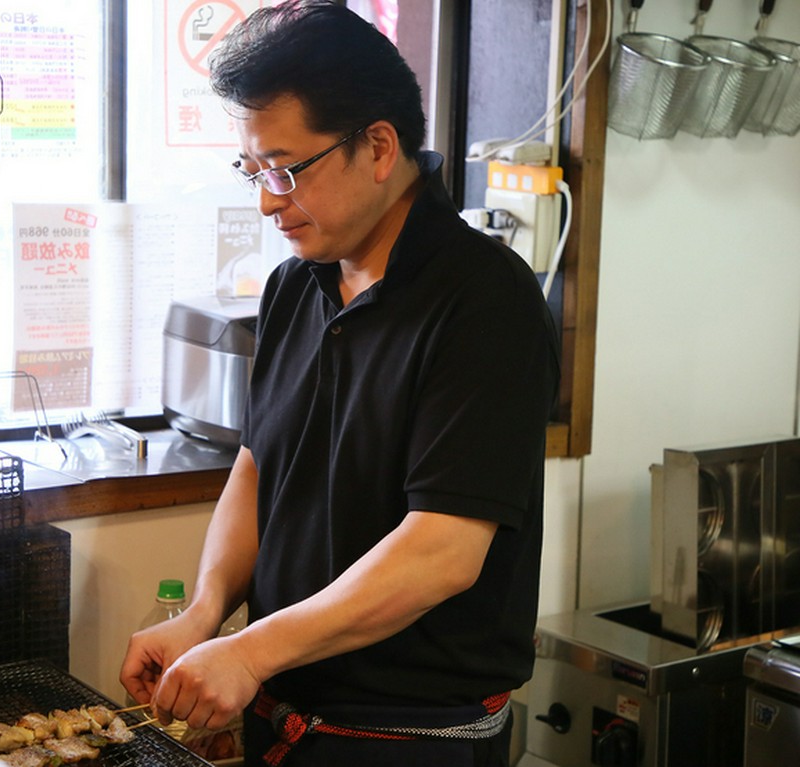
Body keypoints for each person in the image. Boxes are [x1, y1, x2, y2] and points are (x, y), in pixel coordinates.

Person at [119, 2, 560, 765]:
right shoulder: (296, 285)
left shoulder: (485, 299)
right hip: (285, 717)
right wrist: (204, 614)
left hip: (413, 742)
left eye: (285, 168)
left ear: (379, 146)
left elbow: (444, 549)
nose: (266, 198)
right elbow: (262, 467)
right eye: (253, 170)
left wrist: (251, 651)